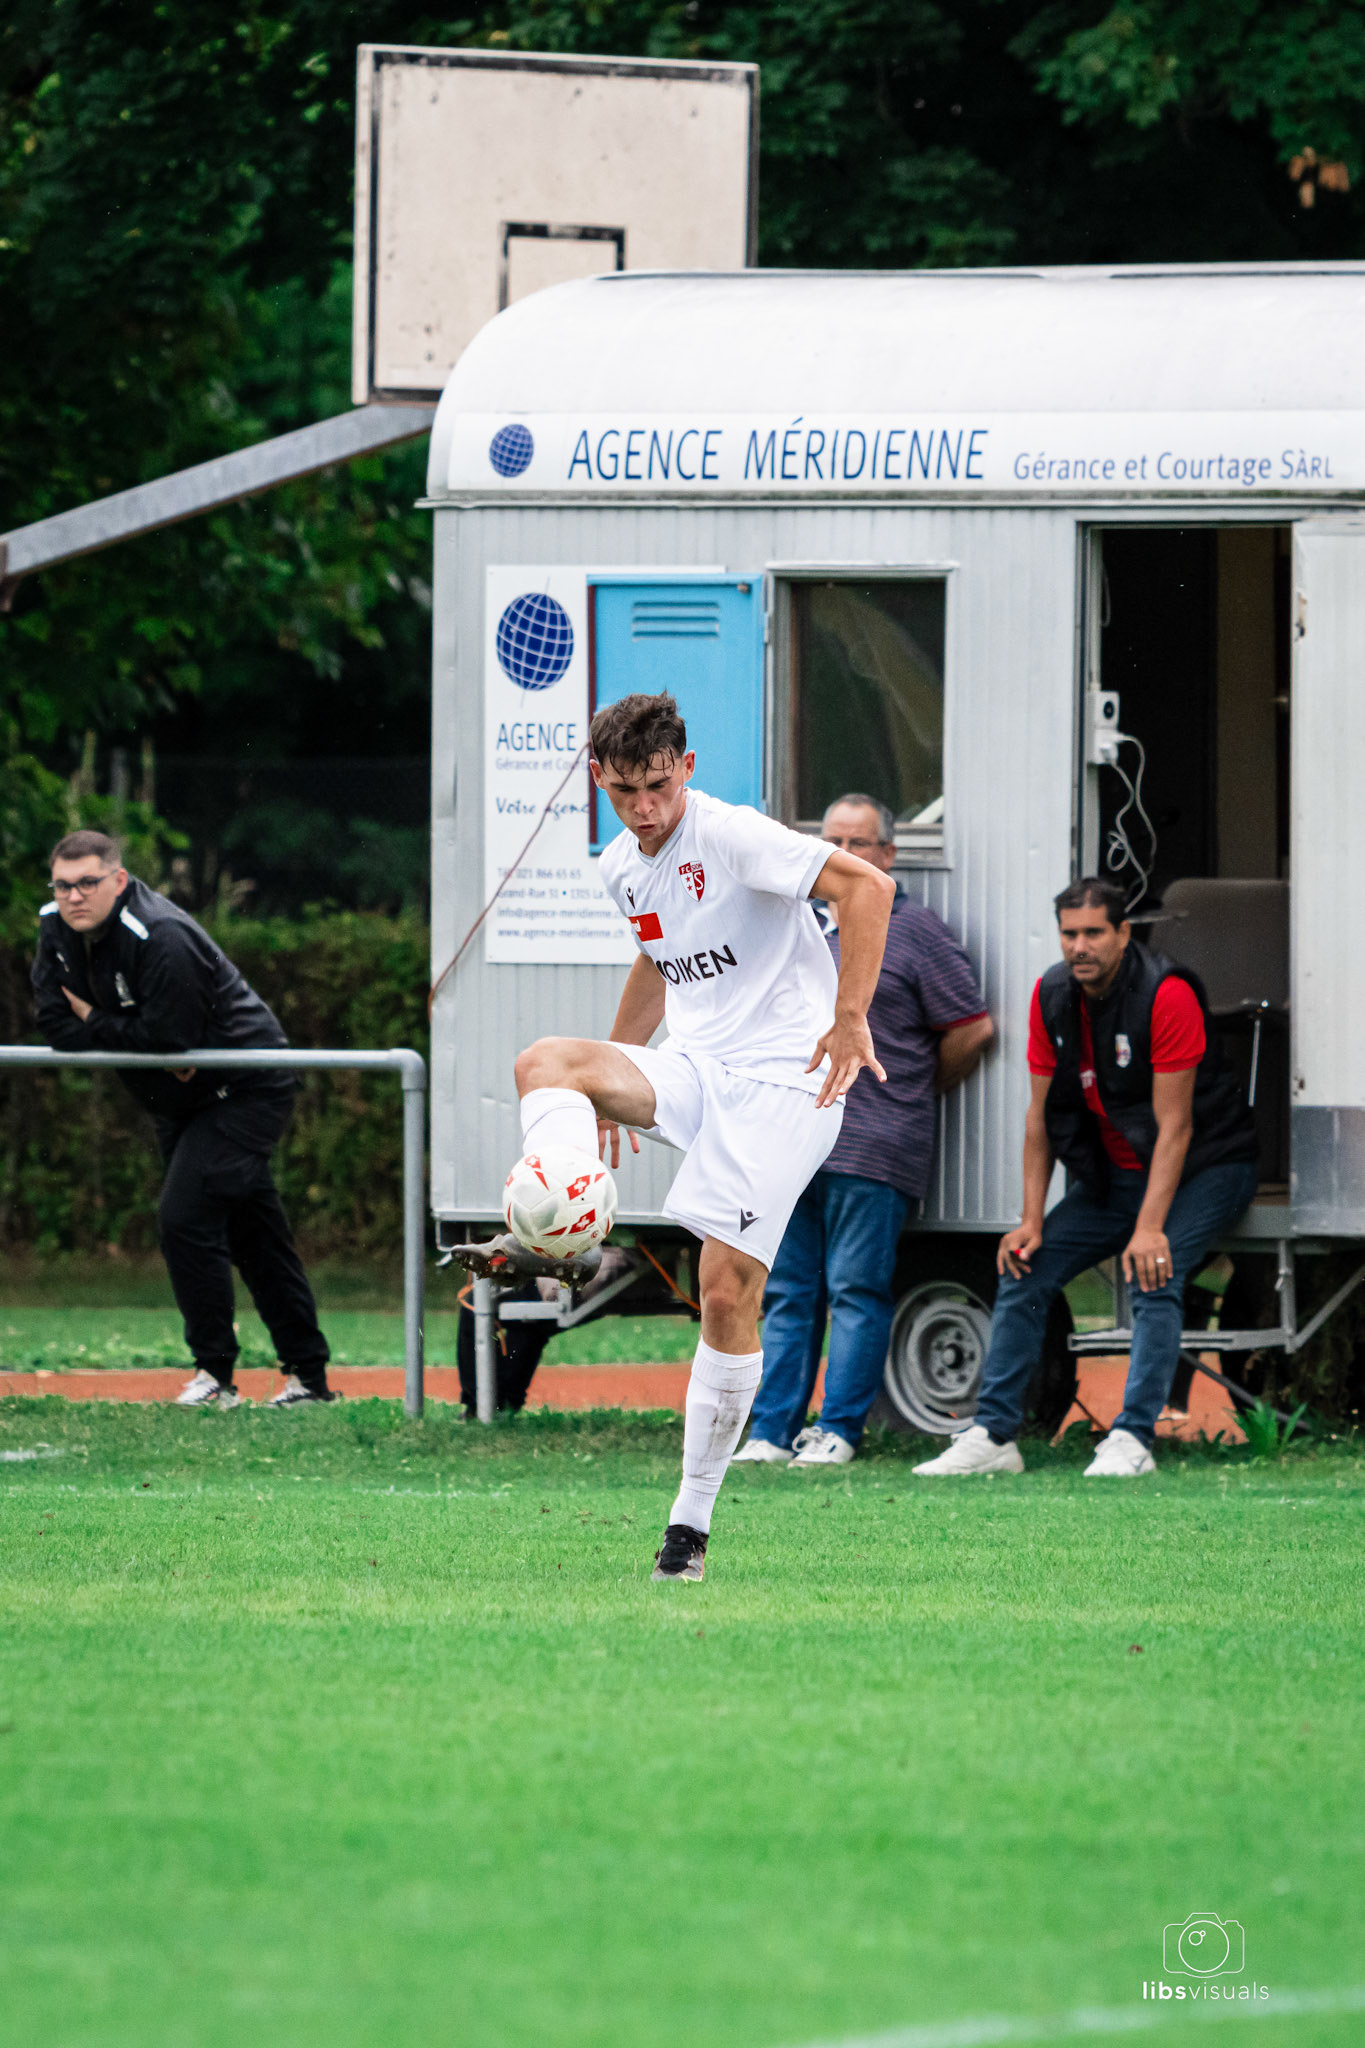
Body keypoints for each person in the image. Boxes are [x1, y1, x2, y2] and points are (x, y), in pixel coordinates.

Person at [461, 692, 895, 1581]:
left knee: (724, 1290)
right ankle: (561, 1217)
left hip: (788, 1084)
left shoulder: (730, 833)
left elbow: (867, 887)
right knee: (548, 1062)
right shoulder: (621, 865)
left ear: (685, 769)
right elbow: (658, 961)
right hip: (699, 1071)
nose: (646, 809)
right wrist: (617, 1072)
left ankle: (688, 1529)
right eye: (625, 791)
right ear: (600, 781)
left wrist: (849, 1017)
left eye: (658, 786)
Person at [914, 876, 1258, 1479]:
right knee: (1022, 1268)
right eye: (1070, 934)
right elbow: (1040, 1118)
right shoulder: (1051, 995)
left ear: (1124, 934)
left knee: (1156, 1273)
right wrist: (1028, 1221)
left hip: (1207, 1167)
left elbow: (1174, 1128)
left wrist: (1150, 1230)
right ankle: (995, 1435)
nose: (1080, 947)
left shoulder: (1165, 993)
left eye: (1094, 932)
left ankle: (1132, 1438)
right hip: (1114, 1178)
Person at [31, 831, 334, 1410]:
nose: (74, 897)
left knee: (184, 1218)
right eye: (63, 885)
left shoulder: (160, 933)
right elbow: (55, 1025)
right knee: (255, 1236)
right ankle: (310, 1380)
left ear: (118, 881)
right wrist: (129, 1036)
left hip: (245, 1087)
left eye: (88, 883)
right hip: (180, 1101)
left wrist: (97, 1017)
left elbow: (171, 1039)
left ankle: (215, 1375)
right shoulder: (54, 925)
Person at [736, 794, 993, 1467]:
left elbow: (971, 1028)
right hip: (793, 1144)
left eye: (859, 845)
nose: (843, 857)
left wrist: (907, 1086)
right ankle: (769, 1432)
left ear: (887, 854)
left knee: (854, 1290)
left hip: (874, 1146)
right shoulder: (797, 926)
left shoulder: (916, 931)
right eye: (833, 844)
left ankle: (838, 1431)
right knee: (788, 1293)